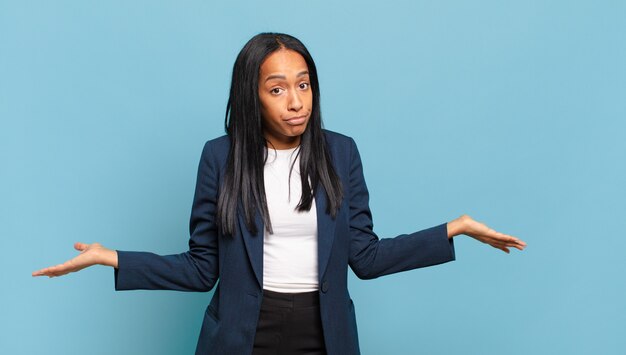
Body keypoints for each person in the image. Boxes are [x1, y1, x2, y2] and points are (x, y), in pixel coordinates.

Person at [32, 32, 527, 355]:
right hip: (243, 335)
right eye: (277, 89)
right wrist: (113, 258)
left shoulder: (341, 153)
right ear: (253, 95)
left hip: (324, 334)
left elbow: (366, 257)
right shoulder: (219, 158)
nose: (296, 101)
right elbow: (203, 268)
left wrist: (452, 230)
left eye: (304, 85)